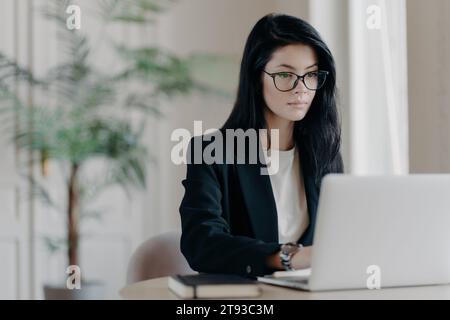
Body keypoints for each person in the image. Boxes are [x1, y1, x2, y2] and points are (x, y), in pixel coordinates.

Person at [179, 13, 344, 277]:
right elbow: (201, 244)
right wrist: (289, 258)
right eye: (285, 75)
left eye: (311, 75)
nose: (301, 89)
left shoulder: (324, 152)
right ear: (257, 78)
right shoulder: (211, 152)